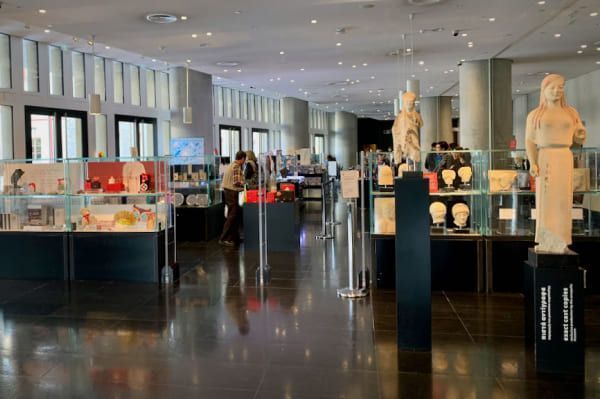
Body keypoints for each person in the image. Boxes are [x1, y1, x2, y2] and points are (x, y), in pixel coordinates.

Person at [526, 74, 586, 253]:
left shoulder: (571, 112)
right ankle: (547, 240)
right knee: (547, 201)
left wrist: (581, 134)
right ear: (544, 90)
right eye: (552, 87)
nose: (557, 91)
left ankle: (562, 240)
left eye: (560, 87)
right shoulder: (536, 115)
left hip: (565, 157)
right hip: (546, 158)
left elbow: (578, 136)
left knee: (563, 200)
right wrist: (533, 162)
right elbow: (529, 141)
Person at [219, 151, 247, 246]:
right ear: (242, 158)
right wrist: (246, 185)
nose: (245, 161)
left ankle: (234, 237)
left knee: (235, 214)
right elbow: (236, 182)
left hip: (228, 191)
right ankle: (223, 238)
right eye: (245, 159)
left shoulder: (231, 164)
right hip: (231, 192)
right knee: (232, 216)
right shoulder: (236, 166)